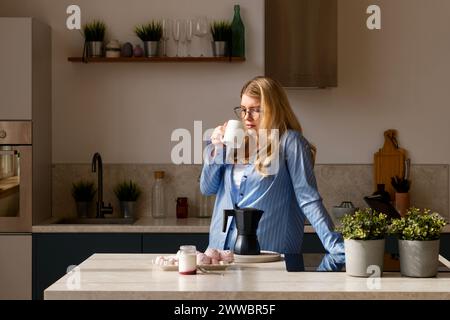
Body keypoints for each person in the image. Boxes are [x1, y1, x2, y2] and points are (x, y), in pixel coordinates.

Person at [200, 76, 344, 255]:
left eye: (255, 110)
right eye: (243, 110)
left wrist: (336, 246)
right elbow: (207, 188)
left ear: (273, 110)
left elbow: (308, 199)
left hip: (269, 255)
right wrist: (217, 148)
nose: (247, 117)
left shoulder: (290, 142)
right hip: (220, 253)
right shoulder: (235, 143)